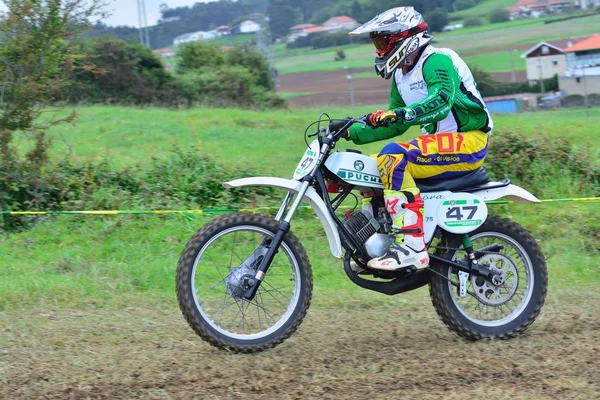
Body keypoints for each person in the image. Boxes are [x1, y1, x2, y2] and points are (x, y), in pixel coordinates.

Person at [345, 7, 493, 272]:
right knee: (366, 165)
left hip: (468, 140)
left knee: (393, 156)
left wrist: (403, 112)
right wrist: (348, 131)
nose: (379, 50)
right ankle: (373, 240)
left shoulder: (437, 60)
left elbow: (441, 102)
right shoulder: (401, 75)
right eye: (376, 43)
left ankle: (411, 246)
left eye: (383, 42)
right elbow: (396, 123)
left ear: (403, 38)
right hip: (438, 146)